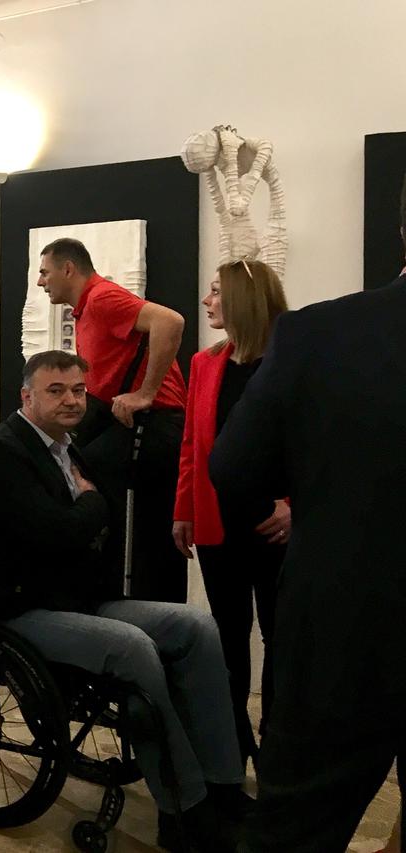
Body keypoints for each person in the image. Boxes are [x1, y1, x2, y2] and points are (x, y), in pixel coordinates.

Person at [0, 350, 247, 852]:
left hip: (81, 599)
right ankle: (184, 807)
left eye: (79, 390)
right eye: (56, 391)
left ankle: (224, 785)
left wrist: (87, 511)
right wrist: (93, 502)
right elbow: (61, 533)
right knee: (132, 646)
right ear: (26, 397)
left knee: (197, 628)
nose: (72, 400)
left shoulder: (66, 447)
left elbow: (81, 529)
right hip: (24, 609)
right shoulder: (3, 453)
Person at [210, 247, 406, 850]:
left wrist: (309, 496)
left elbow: (235, 466)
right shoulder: (222, 357)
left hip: (350, 626)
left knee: (297, 830)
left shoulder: (320, 332)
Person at [171, 259, 289, 768]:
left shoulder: (292, 360)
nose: (207, 300)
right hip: (219, 523)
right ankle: (232, 743)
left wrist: (295, 507)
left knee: (282, 639)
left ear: (245, 298)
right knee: (228, 636)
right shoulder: (205, 363)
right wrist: (183, 510)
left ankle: (278, 745)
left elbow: (322, 444)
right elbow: (191, 446)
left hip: (277, 528)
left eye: (217, 291)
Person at [37, 238, 189, 603]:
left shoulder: (102, 298)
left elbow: (170, 321)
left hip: (155, 423)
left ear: (68, 269)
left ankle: (146, 613)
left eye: (44, 273)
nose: (41, 282)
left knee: (138, 528)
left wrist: (145, 393)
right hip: (135, 424)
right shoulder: (86, 308)